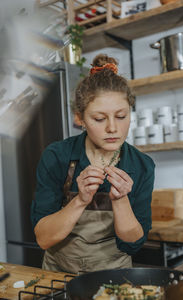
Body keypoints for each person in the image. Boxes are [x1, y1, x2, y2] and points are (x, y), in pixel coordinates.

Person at [31, 54, 155, 274]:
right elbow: (43, 239)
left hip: (114, 275)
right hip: (59, 275)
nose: (112, 128)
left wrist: (121, 200)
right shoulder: (57, 156)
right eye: (99, 118)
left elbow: (133, 244)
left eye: (121, 116)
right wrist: (80, 200)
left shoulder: (142, 165)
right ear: (80, 119)